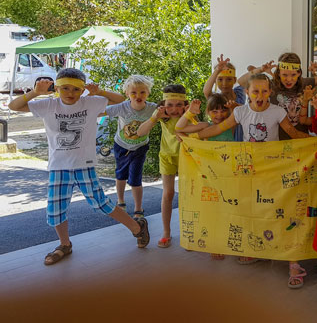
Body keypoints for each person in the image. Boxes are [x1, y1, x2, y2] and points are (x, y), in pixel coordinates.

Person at [8, 69, 150, 265]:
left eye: (76, 89)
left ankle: (137, 228)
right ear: (56, 88)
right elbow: (14, 106)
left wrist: (99, 92)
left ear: (83, 90)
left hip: (84, 164)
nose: (70, 92)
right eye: (65, 88)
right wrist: (35, 92)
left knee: (101, 203)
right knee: (55, 208)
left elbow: (121, 101)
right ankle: (64, 244)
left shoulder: (90, 103)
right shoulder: (49, 104)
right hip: (58, 166)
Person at [195, 73, 310, 288]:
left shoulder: (277, 111)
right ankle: (259, 249)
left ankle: (293, 263)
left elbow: (293, 133)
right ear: (247, 92)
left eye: (264, 91)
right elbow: (218, 129)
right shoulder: (240, 112)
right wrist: (195, 138)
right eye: (255, 91)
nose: (260, 95)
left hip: (274, 170)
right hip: (249, 171)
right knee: (253, 210)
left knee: (283, 212)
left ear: (270, 92)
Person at [176, 93, 234, 260]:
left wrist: (234, 109)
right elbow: (179, 129)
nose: (219, 115)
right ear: (208, 113)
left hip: (228, 176)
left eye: (223, 111)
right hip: (208, 177)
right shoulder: (203, 126)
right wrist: (190, 113)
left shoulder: (231, 125)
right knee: (211, 210)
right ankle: (214, 243)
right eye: (214, 111)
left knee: (228, 209)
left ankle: (227, 241)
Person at [137, 84, 188, 248]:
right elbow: (140, 132)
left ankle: (190, 232)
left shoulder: (189, 114)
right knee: (168, 193)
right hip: (167, 156)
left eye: (179, 105)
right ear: (164, 105)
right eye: (170, 105)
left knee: (188, 194)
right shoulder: (160, 115)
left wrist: (189, 114)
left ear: (185, 104)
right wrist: (155, 117)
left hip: (187, 157)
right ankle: (166, 232)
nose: (174, 109)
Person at [238, 53, 317, 139]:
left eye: (293, 75)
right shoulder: (272, 85)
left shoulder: (304, 83)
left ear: (299, 73)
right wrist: (260, 69)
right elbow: (241, 82)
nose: (289, 79)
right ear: (278, 73)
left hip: (301, 138)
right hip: (278, 139)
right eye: (284, 75)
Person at [105, 74, 156, 219]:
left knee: (135, 177)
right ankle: (120, 201)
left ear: (148, 93)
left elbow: (168, 115)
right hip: (121, 145)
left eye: (142, 92)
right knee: (121, 174)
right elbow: (101, 111)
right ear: (127, 94)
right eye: (133, 92)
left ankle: (138, 208)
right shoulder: (122, 107)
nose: (138, 95)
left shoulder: (153, 108)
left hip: (140, 147)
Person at [203, 54, 246, 141]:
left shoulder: (240, 92)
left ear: (234, 80)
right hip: (224, 138)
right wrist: (217, 70)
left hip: (240, 136)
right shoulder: (218, 98)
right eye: (220, 79)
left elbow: (247, 77)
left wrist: (260, 69)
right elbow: (206, 91)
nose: (224, 83)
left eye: (229, 79)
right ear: (215, 81)